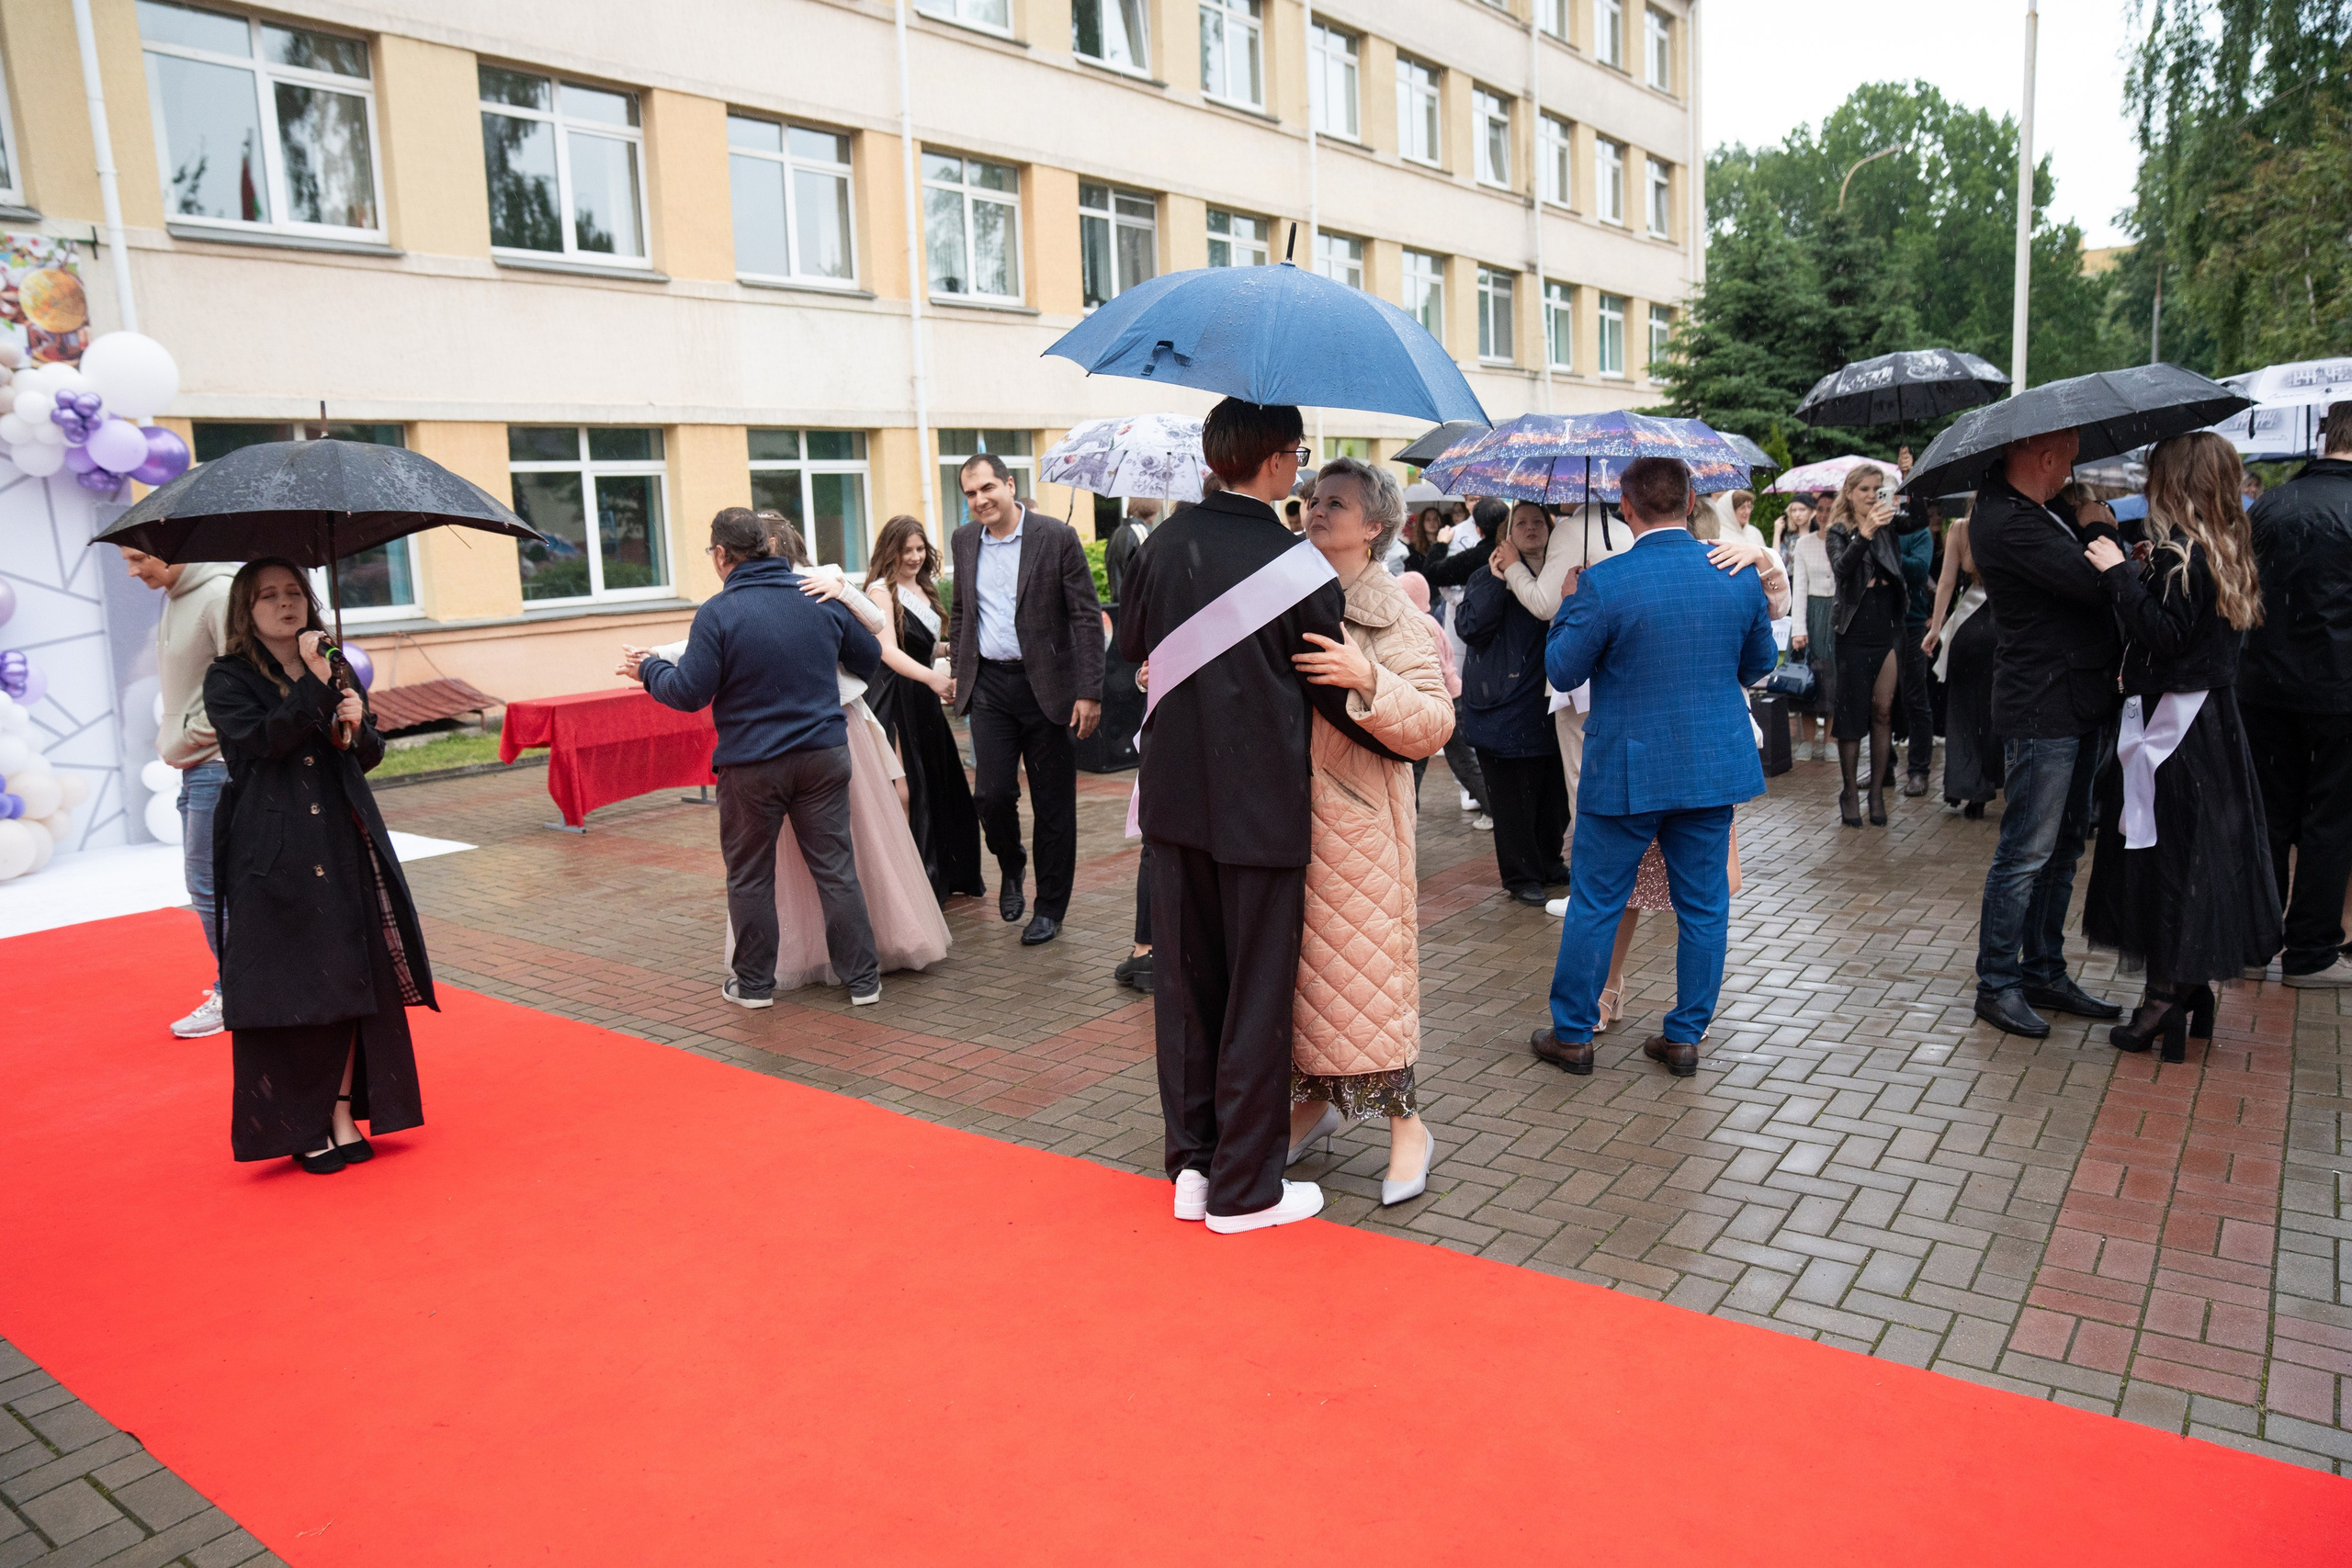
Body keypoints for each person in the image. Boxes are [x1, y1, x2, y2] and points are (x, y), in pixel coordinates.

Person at [1118, 398, 1394, 1234]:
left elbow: (1133, 651)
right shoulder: (1297, 564)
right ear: (1275, 459)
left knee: (1187, 988)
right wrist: (1398, 725)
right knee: (1256, 993)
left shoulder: (1158, 546)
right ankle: (1247, 1188)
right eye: (1299, 455)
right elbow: (1326, 681)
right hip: (1262, 808)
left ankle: (1193, 1170)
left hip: (1175, 803)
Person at [1531, 457, 1779, 1077]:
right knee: (1704, 905)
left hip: (1628, 771)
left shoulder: (1605, 583)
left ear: (1626, 504)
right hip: (1709, 767)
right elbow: (1756, 666)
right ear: (1692, 498)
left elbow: (1562, 670)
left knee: (1596, 901)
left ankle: (1573, 1034)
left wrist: (1568, 603)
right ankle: (1685, 1034)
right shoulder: (1734, 574)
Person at [206, 559, 431, 1173]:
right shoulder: (228, 677)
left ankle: (337, 1110)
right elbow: (260, 744)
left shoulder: (331, 668)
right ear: (245, 611)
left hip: (338, 838)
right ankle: (303, 1121)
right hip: (273, 851)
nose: (285, 605)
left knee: (351, 976)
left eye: (293, 593)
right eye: (268, 596)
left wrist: (355, 725)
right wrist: (312, 685)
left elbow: (369, 753)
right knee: (296, 986)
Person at [1282, 457, 1455, 1204]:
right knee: (1301, 983)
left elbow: (1436, 723)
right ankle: (1314, 1103)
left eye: (1338, 503)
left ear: (1375, 525)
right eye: (1315, 499)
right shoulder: (1287, 595)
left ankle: (1407, 1127)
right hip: (1286, 817)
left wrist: (1367, 678)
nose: (1318, 511)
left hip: (1358, 829)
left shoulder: (1396, 617)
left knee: (1363, 982)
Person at [624, 508, 883, 1008]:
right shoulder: (814, 596)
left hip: (752, 765)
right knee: (835, 869)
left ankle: (756, 987)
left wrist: (650, 670)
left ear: (722, 555)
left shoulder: (718, 613)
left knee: (750, 876)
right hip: (824, 755)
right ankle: (864, 982)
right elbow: (868, 659)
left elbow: (688, 693)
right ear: (767, 546)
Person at [2082, 431, 2280, 1058]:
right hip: (2213, 728)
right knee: (2198, 859)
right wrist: (2144, 570)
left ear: (2174, 482)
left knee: (2166, 860)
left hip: (2176, 733)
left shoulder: (2183, 557)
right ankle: (2189, 985)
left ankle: (2164, 996)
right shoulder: (2224, 548)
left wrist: (2119, 575)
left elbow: (2165, 637)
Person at [1969, 428, 2125, 1038]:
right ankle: (1998, 982)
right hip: (2043, 706)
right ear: (2044, 456)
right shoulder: (2009, 519)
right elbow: (2093, 582)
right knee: (2026, 852)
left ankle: (2043, 970)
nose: (2070, 476)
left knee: (2062, 849)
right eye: (2068, 463)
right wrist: (2098, 525)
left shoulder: (2035, 510)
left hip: (2073, 700)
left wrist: (2083, 520)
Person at [945, 455, 1103, 946]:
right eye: (970, 493)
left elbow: (1085, 617)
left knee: (1054, 806)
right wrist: (958, 672)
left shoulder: (1054, 537)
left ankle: (1050, 907)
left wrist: (1089, 691)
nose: (980, 500)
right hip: (990, 687)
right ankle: (1011, 864)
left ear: (1010, 485)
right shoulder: (964, 540)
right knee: (990, 794)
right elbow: (960, 612)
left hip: (1048, 689)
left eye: (988, 488)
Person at [2239, 400, 2352, 987]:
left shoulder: (2272, 504)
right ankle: (2310, 952)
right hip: (2340, 694)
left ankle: (2253, 945)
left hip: (2266, 686)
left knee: (2270, 815)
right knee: (2331, 821)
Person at [118, 547, 238, 1039]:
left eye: (139, 557)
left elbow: (246, 683)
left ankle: (237, 992)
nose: (133, 570)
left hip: (218, 766)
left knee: (208, 889)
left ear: (171, 551)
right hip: (197, 766)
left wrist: (189, 734)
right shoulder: (175, 595)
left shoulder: (219, 594)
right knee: (216, 887)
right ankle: (246, 984)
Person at [861, 513, 985, 905]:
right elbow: (888, 650)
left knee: (937, 782)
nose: (914, 557)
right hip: (896, 697)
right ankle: (907, 879)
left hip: (924, 700)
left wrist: (949, 649)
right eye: (906, 550)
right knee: (905, 788)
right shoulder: (881, 591)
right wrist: (933, 679)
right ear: (890, 551)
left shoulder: (925, 588)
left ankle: (942, 874)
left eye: (919, 549)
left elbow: (919, 645)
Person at [1457, 502, 1570, 905]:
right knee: (1513, 803)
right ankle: (1521, 876)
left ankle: (1549, 862)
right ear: (1508, 532)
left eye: (1538, 522)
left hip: (1551, 706)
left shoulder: (1561, 575)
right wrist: (1495, 578)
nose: (1531, 529)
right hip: (1502, 709)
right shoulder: (1486, 576)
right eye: (1520, 522)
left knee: (1553, 799)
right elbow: (1470, 627)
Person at [1824, 465, 1908, 827]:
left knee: (1883, 710)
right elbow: (1843, 571)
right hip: (1854, 630)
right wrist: (1865, 533)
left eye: (1878, 489)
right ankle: (1848, 791)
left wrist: (1904, 475)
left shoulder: (1889, 527)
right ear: (1849, 492)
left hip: (1885, 626)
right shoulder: (1837, 530)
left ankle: (1875, 792)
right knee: (1852, 713)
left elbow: (1917, 521)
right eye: (1865, 489)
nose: (1873, 495)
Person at [1423, 496, 1504, 825]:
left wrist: (1440, 546)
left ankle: (1485, 796)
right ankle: (1483, 794)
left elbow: (1434, 572)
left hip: (1473, 640)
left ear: (1480, 525)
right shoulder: (1512, 554)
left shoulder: (1478, 553)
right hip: (1498, 647)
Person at [1923, 502, 2001, 817]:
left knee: (1962, 710)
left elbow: (1946, 583)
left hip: (1967, 631)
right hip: (2004, 627)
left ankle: (1963, 784)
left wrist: (1936, 628)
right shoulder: (2019, 523)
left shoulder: (1959, 529)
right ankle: (1988, 784)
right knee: (1995, 711)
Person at [1894, 479, 1939, 798]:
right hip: (1881, 622)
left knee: (1915, 697)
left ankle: (1919, 770)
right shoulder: (1878, 527)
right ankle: (1883, 767)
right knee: (1881, 700)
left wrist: (1890, 550)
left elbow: (1919, 571)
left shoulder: (1919, 532)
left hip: (1911, 624)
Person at [1783, 495, 1835, 759]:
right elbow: (1799, 586)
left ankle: (1830, 740)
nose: (1825, 515)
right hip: (1811, 612)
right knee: (1809, 671)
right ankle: (1806, 738)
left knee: (1832, 675)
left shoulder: (1846, 540)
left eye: (1831, 509)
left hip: (1836, 614)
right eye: (1822, 510)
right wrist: (1799, 628)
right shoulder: (1804, 543)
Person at [1102, 498, 1159, 604]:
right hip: (1135, 605)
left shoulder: (1117, 532)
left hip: (1119, 603)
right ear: (1150, 511)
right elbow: (1148, 572)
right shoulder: (1140, 532)